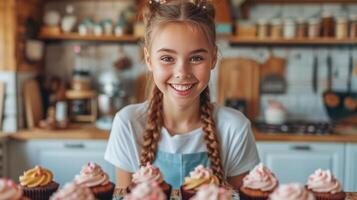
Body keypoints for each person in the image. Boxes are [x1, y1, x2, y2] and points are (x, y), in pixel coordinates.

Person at [105, 0, 260, 190]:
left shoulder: (234, 128)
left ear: (213, 58)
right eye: (167, 58)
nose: (182, 72)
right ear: (148, 59)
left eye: (196, 58)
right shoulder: (128, 124)